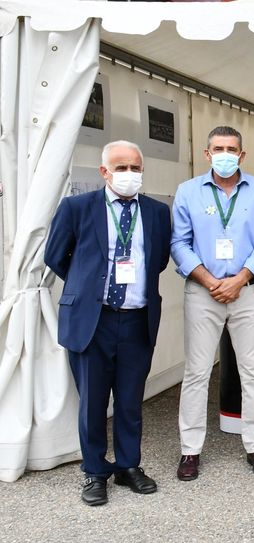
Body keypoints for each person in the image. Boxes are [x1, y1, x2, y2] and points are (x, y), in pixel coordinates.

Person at [45, 140, 172, 506]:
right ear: (104, 172)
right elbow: (56, 257)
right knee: (92, 403)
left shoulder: (157, 212)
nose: (129, 174)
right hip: (92, 320)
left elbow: (158, 260)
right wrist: (89, 283)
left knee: (131, 400)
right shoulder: (76, 208)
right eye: (121, 168)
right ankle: (95, 471)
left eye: (135, 167)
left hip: (136, 320)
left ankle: (129, 466)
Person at [170, 126, 254, 481]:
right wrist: (210, 279)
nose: (225, 154)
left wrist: (240, 279)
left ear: (242, 155)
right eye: (219, 148)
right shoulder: (187, 192)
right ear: (207, 153)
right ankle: (190, 451)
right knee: (197, 372)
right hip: (204, 291)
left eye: (232, 148)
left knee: (253, 371)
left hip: (245, 291)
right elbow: (179, 243)